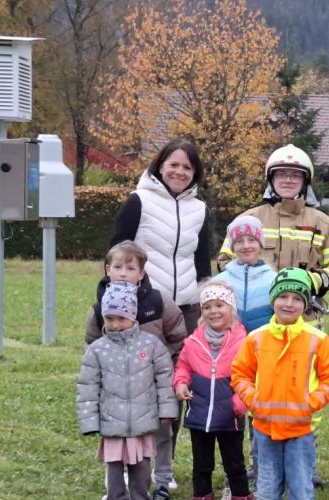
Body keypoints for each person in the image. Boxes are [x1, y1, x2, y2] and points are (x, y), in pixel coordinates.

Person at [84, 241, 187, 500]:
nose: (122, 273)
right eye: (117, 267)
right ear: (107, 270)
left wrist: (169, 370)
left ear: (141, 273)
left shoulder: (158, 300)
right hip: (118, 388)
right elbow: (92, 344)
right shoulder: (99, 308)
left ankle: (163, 475)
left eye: (130, 268)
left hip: (153, 382)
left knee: (162, 431)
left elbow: (177, 335)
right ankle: (122, 478)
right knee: (120, 433)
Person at [231, 268, 329, 500]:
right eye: (283, 297)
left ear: (306, 304)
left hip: (301, 429)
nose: (289, 304)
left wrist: (311, 402)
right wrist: (254, 400)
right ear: (273, 299)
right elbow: (240, 373)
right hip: (264, 428)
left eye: (297, 298)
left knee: (300, 488)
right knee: (267, 487)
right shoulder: (256, 338)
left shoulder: (318, 339)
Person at [216, 144, 329, 324]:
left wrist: (311, 281)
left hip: (304, 321)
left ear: (305, 181)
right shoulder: (247, 219)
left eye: (295, 175)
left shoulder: (323, 224)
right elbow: (224, 261)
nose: (288, 180)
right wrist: (253, 282)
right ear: (271, 179)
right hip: (255, 322)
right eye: (281, 174)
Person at [111, 138, 211, 335]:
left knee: (186, 364)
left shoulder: (200, 209)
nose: (180, 172)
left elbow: (202, 258)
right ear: (160, 166)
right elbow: (116, 252)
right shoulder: (138, 201)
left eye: (187, 167)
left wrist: (206, 297)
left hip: (188, 307)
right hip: (145, 302)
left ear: (194, 173)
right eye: (173, 165)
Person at [172, 281, 253, 500]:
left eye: (220, 305)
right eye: (207, 306)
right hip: (199, 414)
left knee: (234, 462)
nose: (213, 311)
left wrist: (240, 400)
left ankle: (241, 495)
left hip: (230, 415)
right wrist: (180, 384)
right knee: (201, 464)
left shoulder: (243, 342)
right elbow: (183, 367)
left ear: (231, 309)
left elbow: (251, 374)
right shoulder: (193, 342)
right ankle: (202, 495)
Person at [215, 215, 277, 332]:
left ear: (260, 245)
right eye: (239, 241)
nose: (246, 246)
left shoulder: (274, 280)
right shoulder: (219, 282)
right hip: (231, 347)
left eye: (252, 240)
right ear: (233, 247)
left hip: (263, 345)